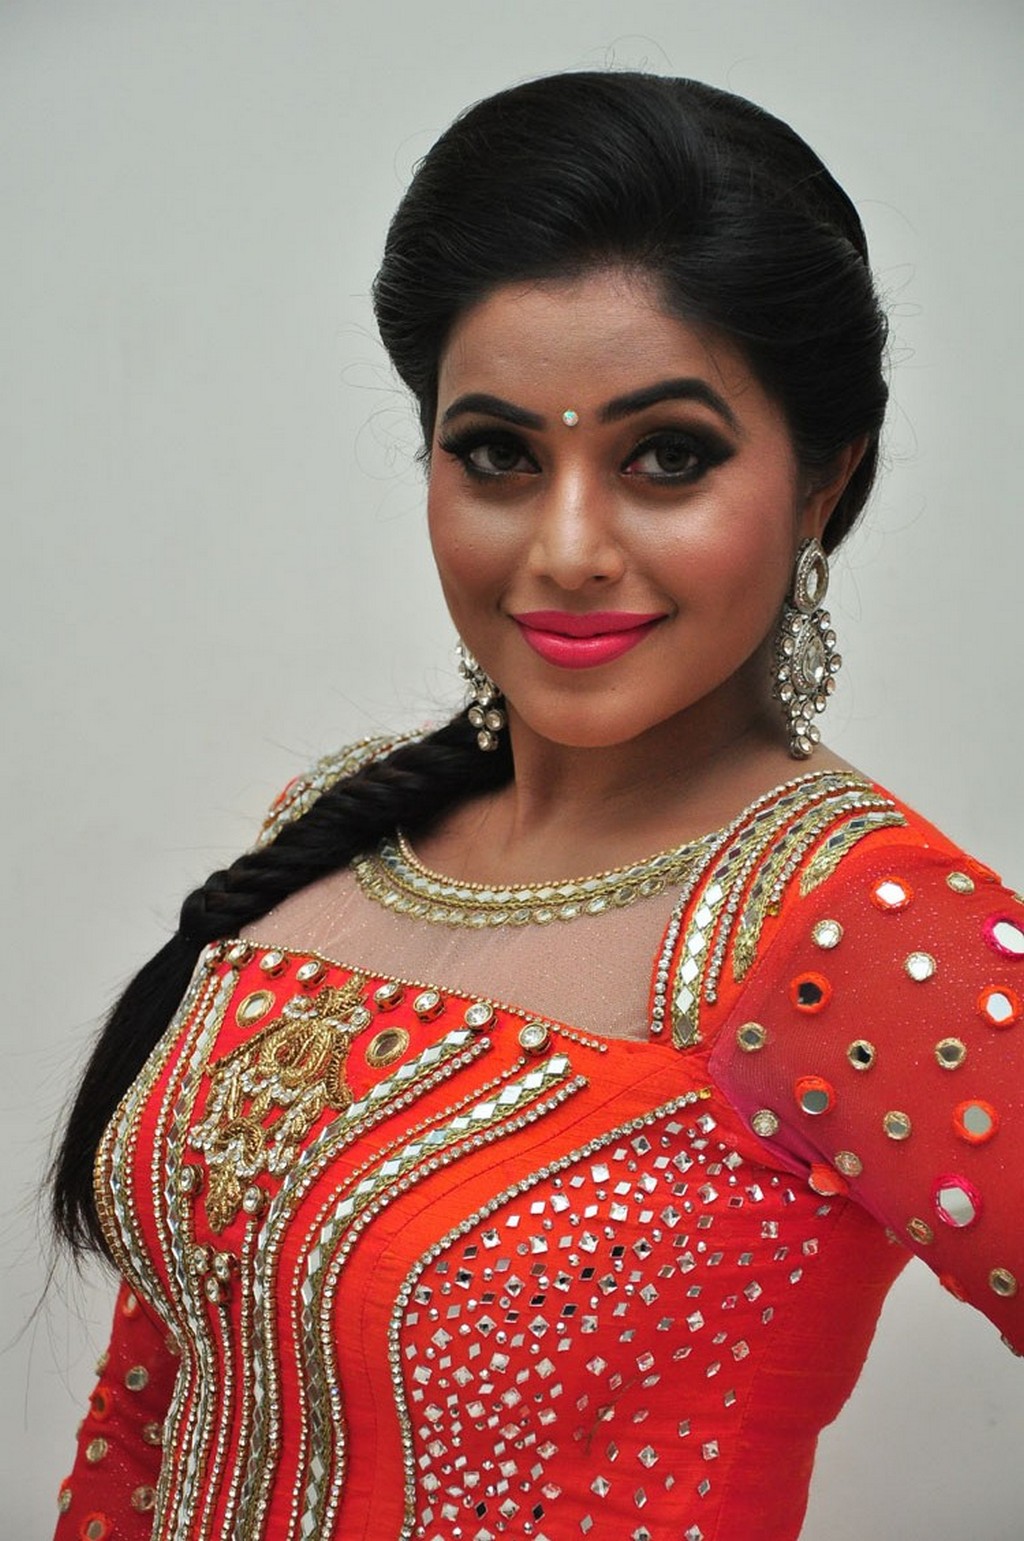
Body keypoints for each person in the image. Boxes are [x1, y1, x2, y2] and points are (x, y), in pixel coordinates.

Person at [49, 71, 1021, 1541]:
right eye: (500, 454)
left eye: (667, 458)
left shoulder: (862, 930)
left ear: (825, 481)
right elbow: (149, 1414)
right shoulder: (331, 826)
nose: (567, 547)